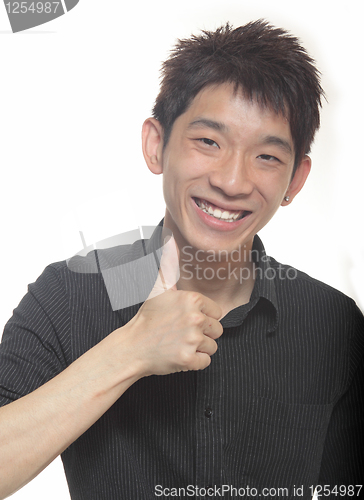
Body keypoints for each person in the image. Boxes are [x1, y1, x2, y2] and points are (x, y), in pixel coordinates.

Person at [0, 20, 363, 500]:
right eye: (209, 142)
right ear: (156, 145)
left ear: (295, 180)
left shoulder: (333, 324)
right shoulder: (70, 295)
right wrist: (129, 351)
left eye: (268, 157)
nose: (233, 182)